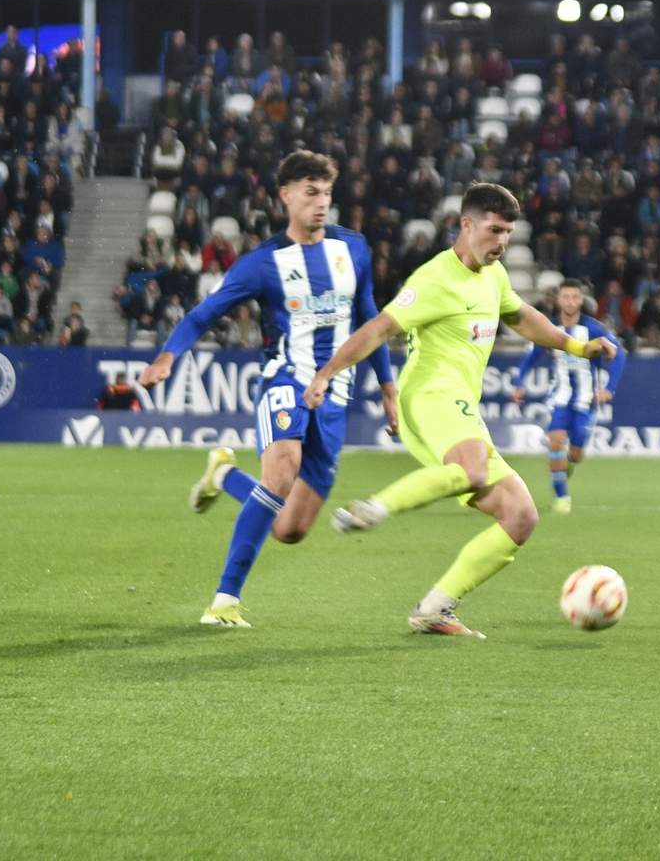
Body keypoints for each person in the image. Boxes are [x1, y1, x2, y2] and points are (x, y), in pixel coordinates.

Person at [303, 183, 618, 639]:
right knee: (471, 470)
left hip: (460, 407)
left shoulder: (494, 275)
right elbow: (379, 329)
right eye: (494, 230)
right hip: (429, 397)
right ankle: (375, 507)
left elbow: (521, 316)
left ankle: (434, 608)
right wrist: (326, 373)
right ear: (466, 225)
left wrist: (576, 345)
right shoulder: (434, 279)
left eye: (508, 232)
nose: (502, 242)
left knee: (520, 515)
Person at [138, 151, 398, 629]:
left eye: (326, 193)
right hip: (287, 381)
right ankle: (224, 600)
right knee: (282, 471)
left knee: (289, 529)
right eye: (310, 193)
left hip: (336, 395)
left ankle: (224, 477)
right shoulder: (263, 264)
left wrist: (388, 387)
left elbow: (371, 319)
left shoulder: (353, 249)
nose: (321, 203)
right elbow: (203, 314)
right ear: (285, 196)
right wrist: (169, 355)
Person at [508, 280, 627, 514]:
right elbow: (531, 356)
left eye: (575, 297)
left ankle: (565, 466)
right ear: (559, 300)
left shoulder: (593, 329)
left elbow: (620, 354)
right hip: (559, 398)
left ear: (581, 301)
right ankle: (562, 499)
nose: (570, 301)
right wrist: (520, 383)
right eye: (566, 297)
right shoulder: (550, 329)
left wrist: (609, 388)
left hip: (585, 401)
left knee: (576, 454)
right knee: (555, 441)